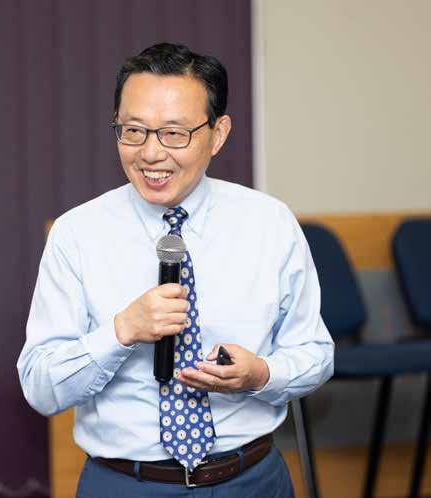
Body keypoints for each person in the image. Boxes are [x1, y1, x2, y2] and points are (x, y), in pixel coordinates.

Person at [17, 42, 334, 498]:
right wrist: (121, 331)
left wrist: (260, 375)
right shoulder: (77, 234)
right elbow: (41, 387)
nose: (150, 153)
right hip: (124, 485)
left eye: (173, 133)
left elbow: (316, 353)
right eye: (133, 131)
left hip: (251, 480)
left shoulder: (270, 224)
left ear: (218, 133)